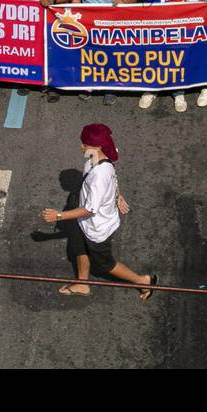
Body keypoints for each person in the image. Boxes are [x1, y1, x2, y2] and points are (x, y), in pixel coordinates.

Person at [40, 124, 156, 300]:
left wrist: (58, 215)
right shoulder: (95, 156)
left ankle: (143, 281)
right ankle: (82, 284)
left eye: (85, 144)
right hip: (85, 223)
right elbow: (113, 176)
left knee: (105, 264)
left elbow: (89, 209)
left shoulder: (99, 176)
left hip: (97, 229)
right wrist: (117, 195)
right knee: (79, 247)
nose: (82, 146)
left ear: (98, 146)